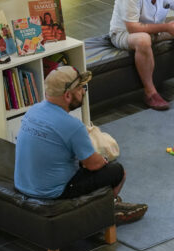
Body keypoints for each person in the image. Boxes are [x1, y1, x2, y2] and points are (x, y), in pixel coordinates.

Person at [13, 65, 147, 224]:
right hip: (53, 192)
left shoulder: (34, 110)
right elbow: (94, 165)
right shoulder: (73, 126)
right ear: (68, 95)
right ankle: (105, 212)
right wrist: (102, 159)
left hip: (23, 184)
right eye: (80, 88)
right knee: (117, 171)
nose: (83, 91)